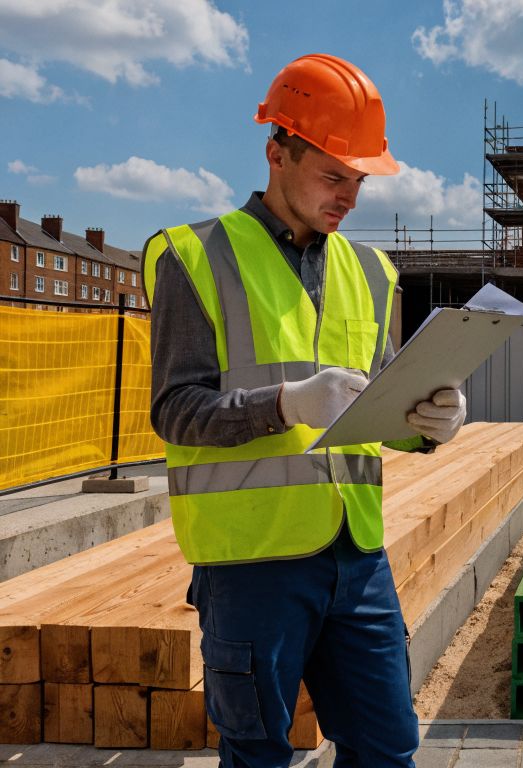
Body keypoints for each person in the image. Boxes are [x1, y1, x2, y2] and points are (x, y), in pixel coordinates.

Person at [144, 53, 460, 767]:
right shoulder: (195, 257)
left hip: (357, 555)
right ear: (276, 152)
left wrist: (426, 426)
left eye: (358, 179)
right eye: (332, 174)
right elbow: (175, 411)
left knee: (387, 748)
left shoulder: (372, 273)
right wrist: (283, 404)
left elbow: (375, 403)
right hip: (252, 563)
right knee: (257, 755)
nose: (348, 196)